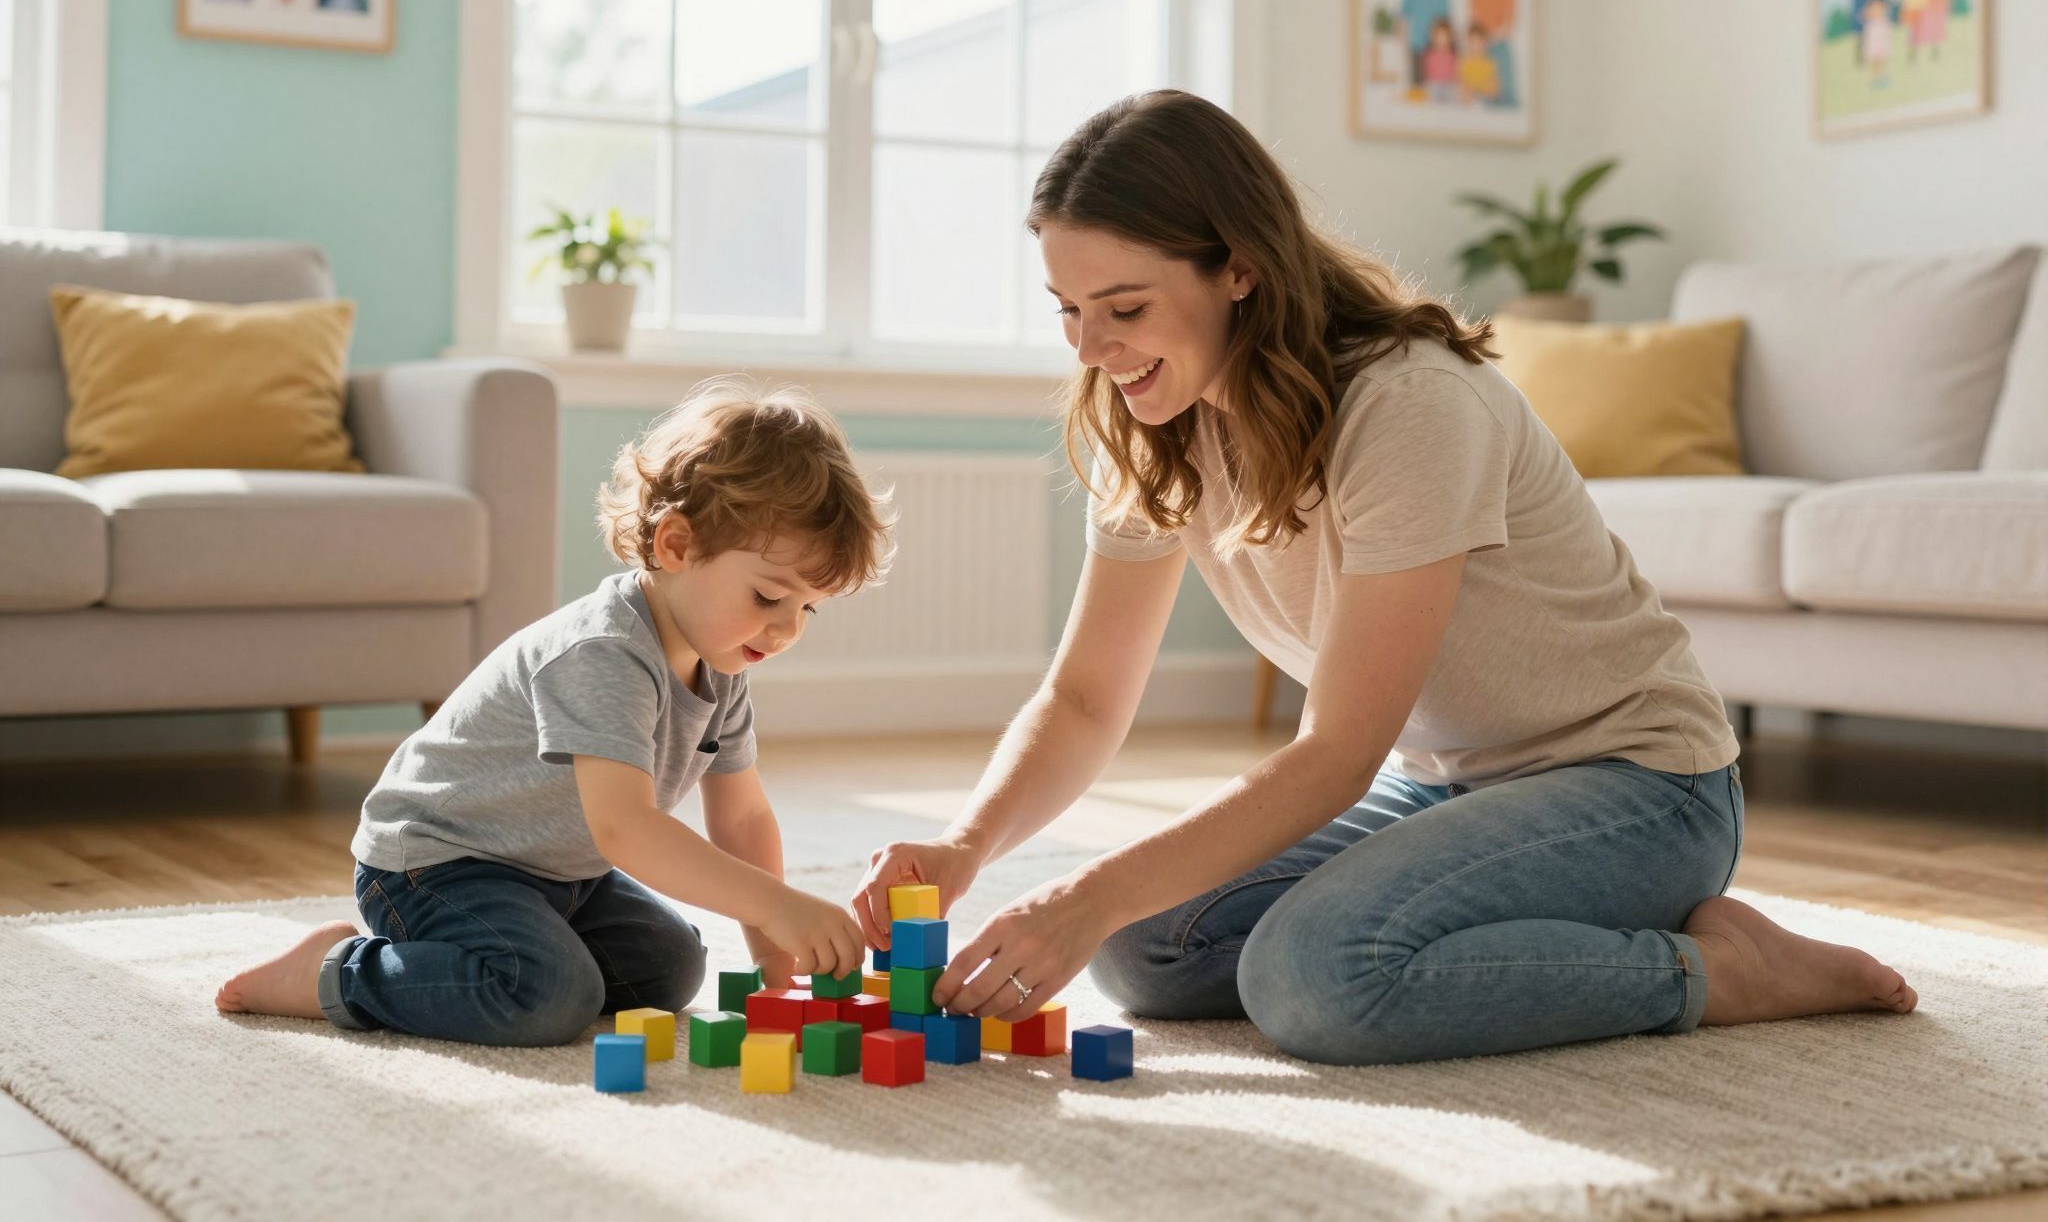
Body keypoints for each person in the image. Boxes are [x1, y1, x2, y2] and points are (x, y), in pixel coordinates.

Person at [853, 90, 1917, 1066]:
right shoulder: (1153, 427)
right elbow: (1085, 699)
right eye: (1067, 310)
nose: (1091, 347)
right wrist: (964, 847)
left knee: (1314, 980)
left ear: (1239, 267)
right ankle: (1538, 918)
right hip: (1446, 782)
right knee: (1139, 947)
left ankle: (1720, 970)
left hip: (1640, 786)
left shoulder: (1406, 404)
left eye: (1124, 309)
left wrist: (1079, 893)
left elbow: (1336, 754)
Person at [215, 382, 893, 1046]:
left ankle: (504, 957)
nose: (786, 630)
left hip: (557, 873)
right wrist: (778, 906)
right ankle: (337, 973)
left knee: (671, 967)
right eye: (769, 596)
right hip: (437, 863)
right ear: (676, 547)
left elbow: (741, 819)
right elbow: (625, 829)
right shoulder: (602, 655)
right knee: (548, 998)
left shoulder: (722, 663)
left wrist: (778, 975)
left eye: (807, 608)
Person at [1467, 0, 1519, 108]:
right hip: (1480, 50)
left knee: (1505, 94)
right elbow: (1474, 22)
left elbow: (1508, 25)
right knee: (1483, 97)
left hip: (1500, 48)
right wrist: (1478, 44)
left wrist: (1489, 38)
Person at [1458, 21, 1499, 105]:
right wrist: (1465, 89)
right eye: (1473, 42)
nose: (1476, 46)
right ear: (1468, 43)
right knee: (1463, 91)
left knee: (1492, 87)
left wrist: (1491, 88)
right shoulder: (1465, 60)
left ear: (1485, 43)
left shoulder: (1489, 62)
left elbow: (1493, 80)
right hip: (1470, 93)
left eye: (1479, 42)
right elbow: (1461, 79)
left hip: (1483, 94)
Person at [1422, 17, 1459, 104]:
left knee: (1454, 93)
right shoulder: (1429, 54)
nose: (1442, 39)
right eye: (1439, 36)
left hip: (1449, 84)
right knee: (1429, 91)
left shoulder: (1453, 55)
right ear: (1433, 37)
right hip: (1434, 84)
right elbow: (1427, 73)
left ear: (1450, 38)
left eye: (1445, 36)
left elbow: (1456, 72)